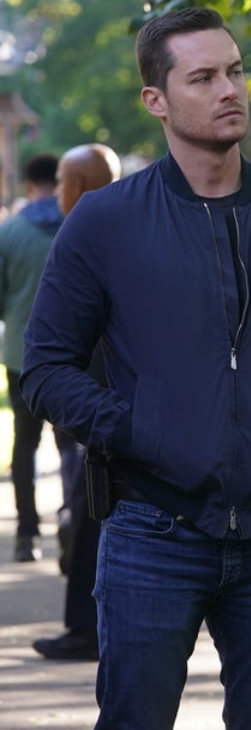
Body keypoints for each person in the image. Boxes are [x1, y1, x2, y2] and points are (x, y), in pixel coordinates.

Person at [21, 7, 251, 727]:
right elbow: (47, 365)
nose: (229, 90)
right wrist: (138, 430)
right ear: (157, 99)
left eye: (236, 71)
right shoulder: (106, 221)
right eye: (204, 76)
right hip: (151, 529)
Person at [30, 143, 122, 662]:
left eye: (65, 180)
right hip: (97, 404)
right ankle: (88, 627)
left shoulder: (98, 237)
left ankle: (87, 630)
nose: (57, 191)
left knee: (92, 520)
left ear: (81, 186)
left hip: (106, 409)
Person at [1, 152, 86, 564]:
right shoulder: (77, 226)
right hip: (77, 356)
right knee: (72, 443)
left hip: (21, 355)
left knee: (25, 445)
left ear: (28, 184)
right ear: (57, 180)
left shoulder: (10, 233)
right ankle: (73, 517)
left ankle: (27, 534)